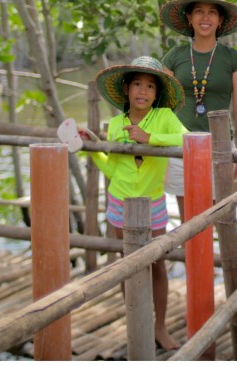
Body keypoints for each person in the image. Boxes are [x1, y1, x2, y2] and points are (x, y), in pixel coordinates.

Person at [78, 56, 187, 350]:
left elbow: (186, 138)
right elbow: (113, 169)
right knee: (127, 266)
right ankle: (137, 322)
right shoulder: (115, 124)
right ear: (126, 88)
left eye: (150, 86)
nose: (143, 91)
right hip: (119, 202)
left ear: (157, 93)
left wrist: (149, 137)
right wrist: (91, 147)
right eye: (137, 84)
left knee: (158, 264)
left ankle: (160, 327)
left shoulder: (164, 118)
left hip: (153, 202)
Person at [159, 0, 237, 220]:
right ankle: (194, 258)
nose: (205, 17)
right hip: (180, 146)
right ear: (189, 18)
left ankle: (220, 258)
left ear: (220, 20)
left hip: (220, 147)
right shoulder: (174, 56)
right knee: (188, 222)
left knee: (220, 219)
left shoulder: (233, 59)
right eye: (199, 11)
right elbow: (160, 107)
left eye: (212, 12)